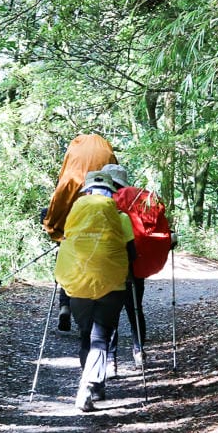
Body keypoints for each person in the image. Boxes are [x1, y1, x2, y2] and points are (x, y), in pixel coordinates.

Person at [53, 170, 135, 412]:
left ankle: (94, 384)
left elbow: (67, 244)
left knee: (85, 335)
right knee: (101, 337)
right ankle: (88, 386)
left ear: (86, 192)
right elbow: (132, 255)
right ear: (112, 192)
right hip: (112, 285)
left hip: (78, 284)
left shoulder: (75, 215)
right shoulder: (121, 218)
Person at [42, 134, 117, 332]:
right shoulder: (106, 152)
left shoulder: (70, 175)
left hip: (71, 224)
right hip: (100, 224)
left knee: (67, 256)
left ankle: (65, 304)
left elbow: (58, 203)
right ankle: (95, 308)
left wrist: (52, 226)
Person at [99, 163, 147, 370]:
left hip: (108, 265)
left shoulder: (100, 201)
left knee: (111, 312)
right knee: (135, 309)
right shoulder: (137, 200)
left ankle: (111, 360)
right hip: (134, 264)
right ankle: (139, 352)